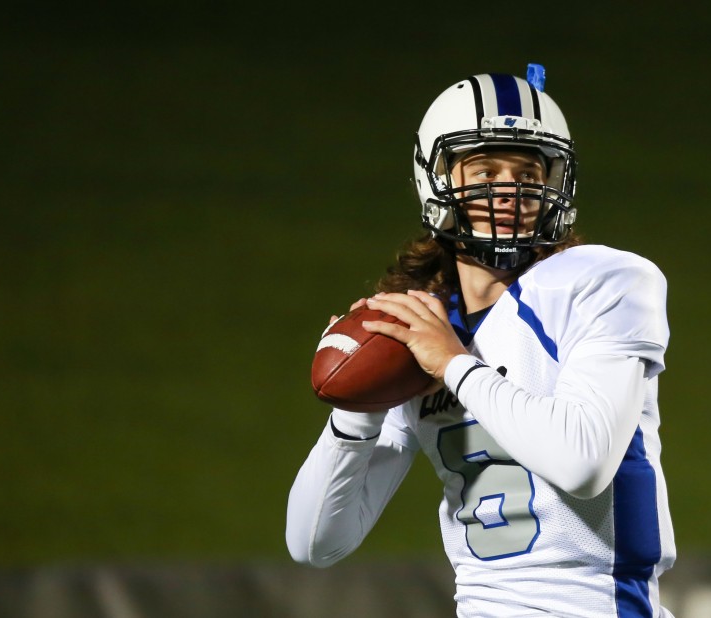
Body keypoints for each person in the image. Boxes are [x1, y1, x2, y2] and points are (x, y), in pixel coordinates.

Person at [286, 66, 676, 617]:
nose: (509, 189)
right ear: (437, 178)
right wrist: (358, 407)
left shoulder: (600, 281)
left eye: (527, 171)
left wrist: (455, 366)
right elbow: (315, 543)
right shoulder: (421, 328)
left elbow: (584, 463)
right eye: (484, 169)